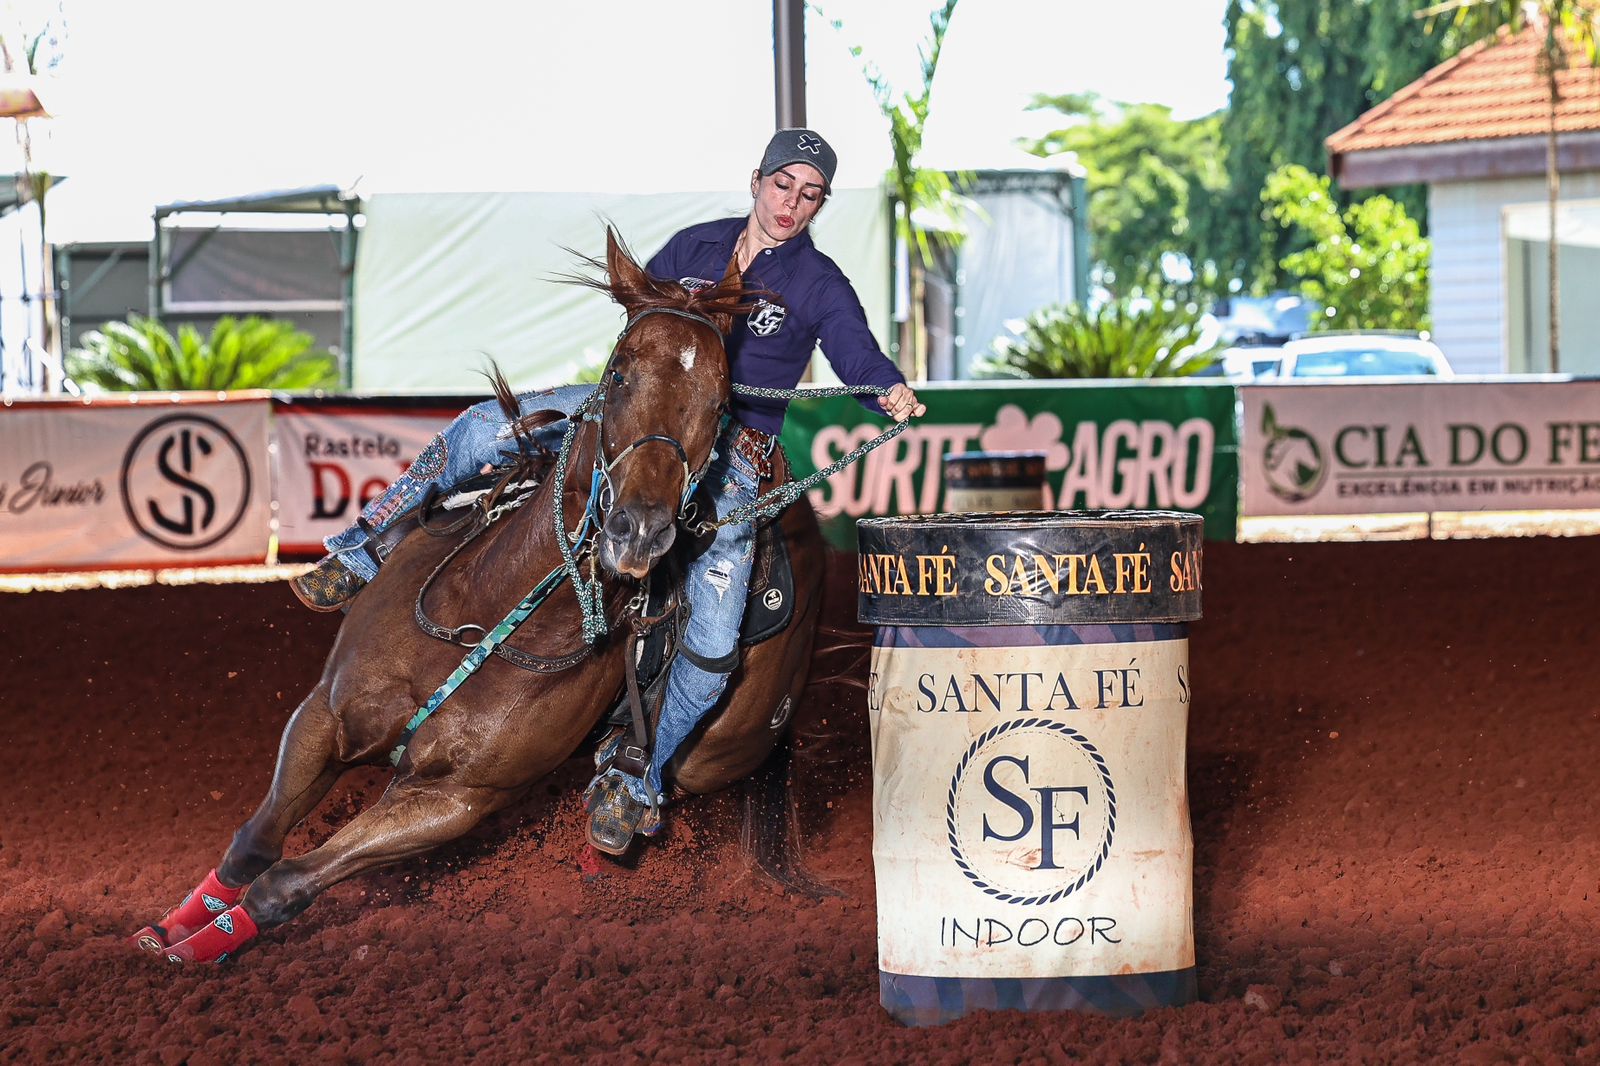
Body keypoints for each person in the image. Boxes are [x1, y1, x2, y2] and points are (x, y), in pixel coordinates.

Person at [291, 128, 924, 853]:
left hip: (733, 456)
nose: (792, 204)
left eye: (810, 195)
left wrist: (890, 392)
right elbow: (638, 326)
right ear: (757, 180)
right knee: (475, 431)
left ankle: (638, 776)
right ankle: (362, 548)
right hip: (628, 416)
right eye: (784, 185)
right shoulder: (693, 246)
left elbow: (857, 353)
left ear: (819, 204)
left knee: (716, 640)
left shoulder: (819, 284)